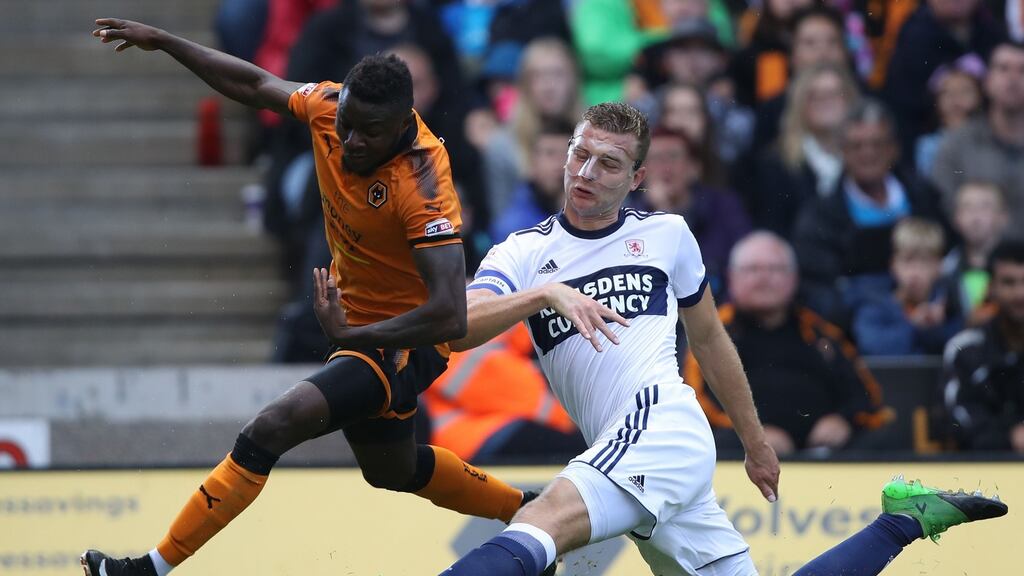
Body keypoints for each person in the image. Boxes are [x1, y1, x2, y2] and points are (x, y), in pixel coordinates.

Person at [437, 102, 1007, 576]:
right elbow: (459, 326)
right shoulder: (523, 252)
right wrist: (545, 294)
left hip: (661, 426)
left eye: (609, 164)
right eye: (580, 155)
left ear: (637, 178)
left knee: (544, 520)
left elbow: (709, 340)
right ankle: (902, 521)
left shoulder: (666, 235)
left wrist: (755, 443)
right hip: (613, 444)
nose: (586, 174)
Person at [81, 18, 531, 576]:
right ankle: (529, 513)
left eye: (367, 132)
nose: (350, 141)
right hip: (358, 328)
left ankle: (148, 568)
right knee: (390, 470)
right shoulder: (329, 106)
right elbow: (253, 85)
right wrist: (169, 42)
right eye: (346, 125)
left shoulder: (422, 185)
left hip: (405, 341)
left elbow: (449, 313)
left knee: (273, 425)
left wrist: (355, 336)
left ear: (399, 128)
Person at [688, 232, 890, 457]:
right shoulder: (712, 331)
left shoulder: (819, 333)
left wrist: (844, 421)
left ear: (794, 278)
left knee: (885, 439)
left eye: (775, 269)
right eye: (753, 269)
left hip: (822, 454)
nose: (764, 278)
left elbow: (866, 395)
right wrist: (752, 435)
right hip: (740, 448)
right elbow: (694, 399)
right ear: (731, 277)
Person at [791, 99, 943, 323]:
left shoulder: (924, 199)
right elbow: (818, 286)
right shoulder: (819, 215)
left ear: (893, 149)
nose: (868, 153)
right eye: (857, 145)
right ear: (843, 151)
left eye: (877, 144)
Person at [930, 40, 1024, 234]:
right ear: (987, 81)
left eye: (1022, 70)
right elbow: (943, 206)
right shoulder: (956, 143)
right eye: (1003, 68)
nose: (1013, 79)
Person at [942, 239, 1024, 452]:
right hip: (980, 471)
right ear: (991, 287)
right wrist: (1010, 437)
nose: (1019, 294)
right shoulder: (965, 349)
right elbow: (960, 421)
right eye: (1009, 282)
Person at [853, 218, 963, 356]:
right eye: (907, 261)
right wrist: (913, 326)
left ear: (939, 266)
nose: (915, 273)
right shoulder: (873, 304)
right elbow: (871, 347)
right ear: (893, 264)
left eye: (924, 262)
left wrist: (937, 328)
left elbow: (962, 348)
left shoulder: (950, 305)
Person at [942, 181, 1011, 322]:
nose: (975, 216)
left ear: (1003, 217)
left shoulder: (1016, 268)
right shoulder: (944, 269)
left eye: (985, 207)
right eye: (967, 207)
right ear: (956, 218)